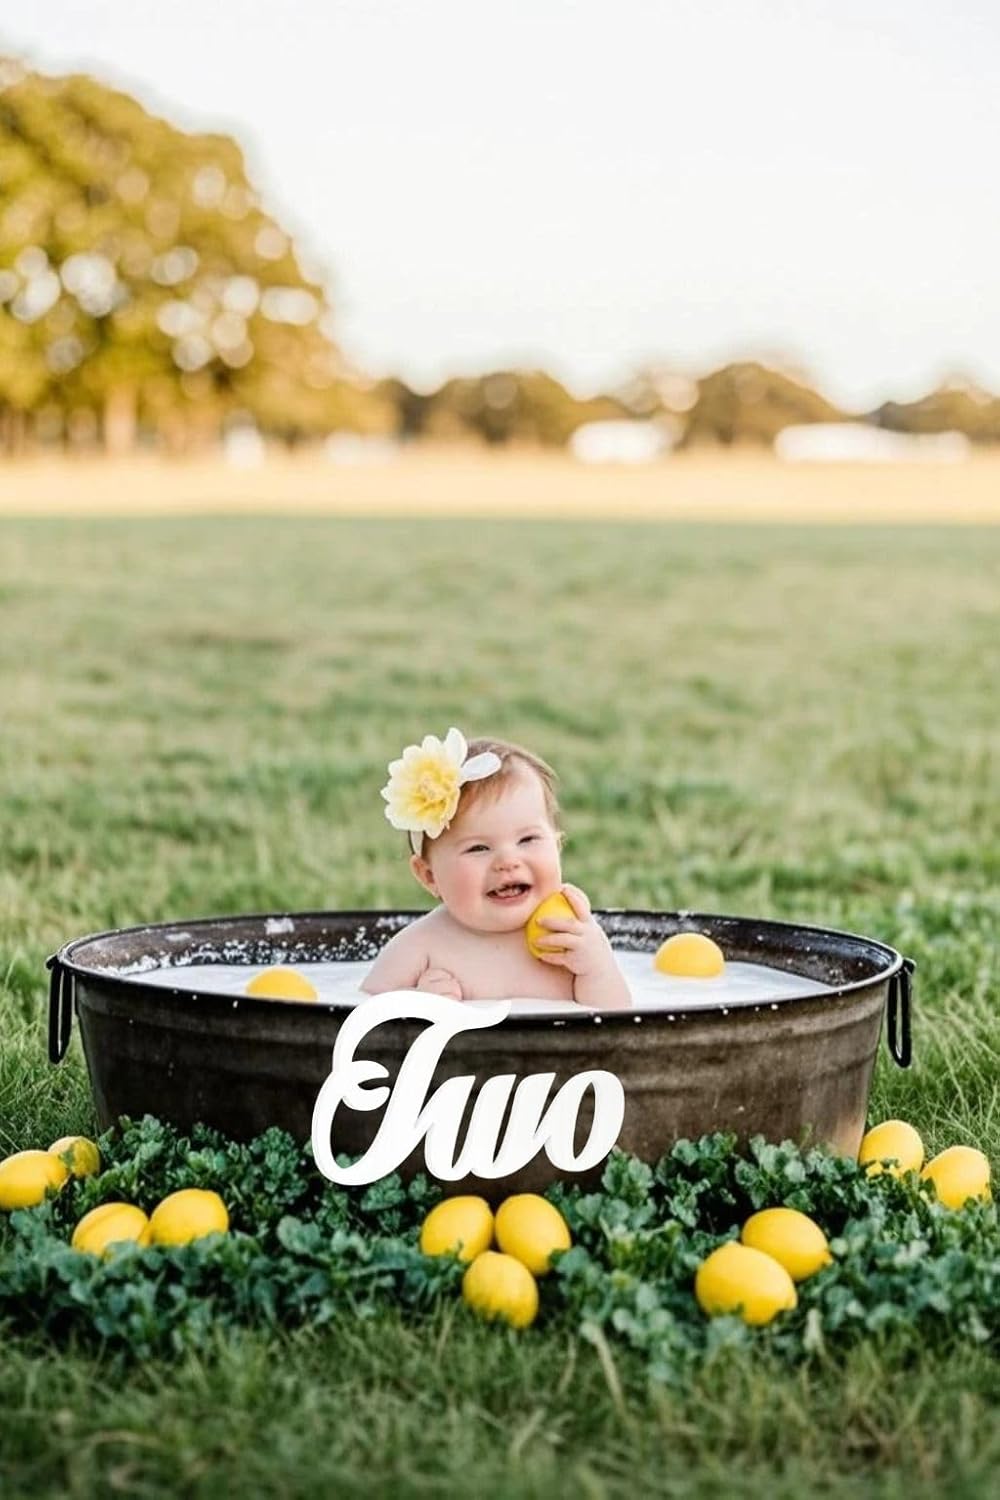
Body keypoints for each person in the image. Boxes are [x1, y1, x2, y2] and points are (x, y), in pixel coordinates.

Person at [361, 728, 631, 1009]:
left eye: (528, 839)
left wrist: (597, 969)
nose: (507, 861)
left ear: (557, 846)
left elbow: (618, 1021)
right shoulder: (420, 947)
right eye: (478, 848)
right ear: (430, 876)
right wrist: (414, 1005)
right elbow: (358, 1017)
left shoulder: (570, 937)